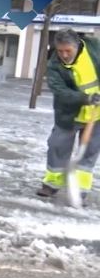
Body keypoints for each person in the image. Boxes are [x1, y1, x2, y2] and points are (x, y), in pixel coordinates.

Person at [36, 29, 100, 207]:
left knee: (89, 153)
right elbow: (60, 91)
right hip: (68, 114)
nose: (64, 55)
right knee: (57, 147)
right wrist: (85, 98)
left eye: (68, 51)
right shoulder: (54, 64)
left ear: (77, 45)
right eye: (60, 50)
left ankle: (79, 190)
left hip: (96, 116)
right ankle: (51, 184)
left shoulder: (95, 48)